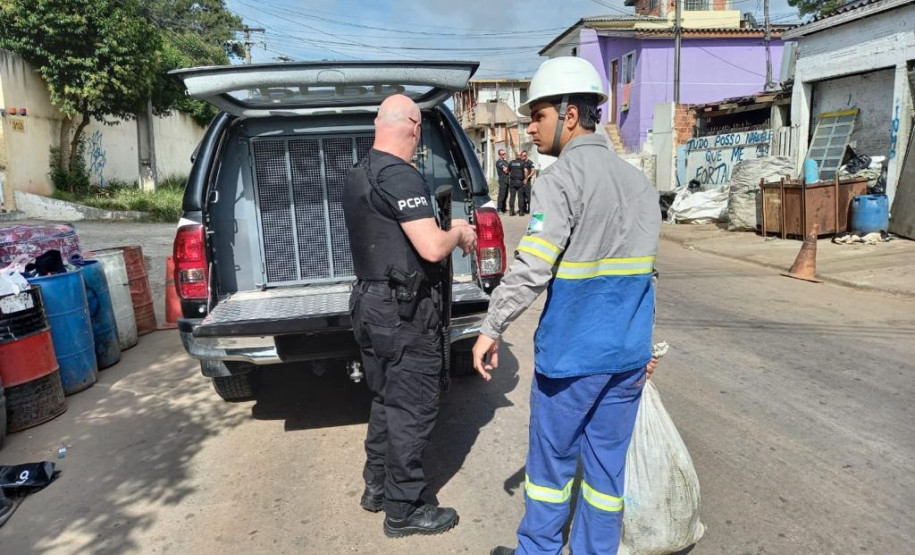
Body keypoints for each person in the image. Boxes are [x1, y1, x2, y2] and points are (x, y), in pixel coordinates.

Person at [471, 57, 661, 555]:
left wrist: (491, 327)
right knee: (604, 476)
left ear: (569, 115)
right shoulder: (640, 185)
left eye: (538, 116)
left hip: (572, 360)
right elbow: (645, 275)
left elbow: (532, 267)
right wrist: (645, 346)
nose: (530, 128)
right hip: (626, 359)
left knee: (550, 473)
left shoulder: (557, 181)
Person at [342, 94, 477, 538]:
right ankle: (404, 508)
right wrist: (458, 230)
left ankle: (376, 486)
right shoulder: (400, 176)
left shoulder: (357, 174)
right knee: (413, 406)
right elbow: (432, 248)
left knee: (385, 398)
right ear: (414, 129)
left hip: (369, 305)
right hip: (403, 313)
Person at [508, 151, 526, 216]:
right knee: (520, 197)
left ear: (515, 156)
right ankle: (521, 212)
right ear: (520, 156)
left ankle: (511, 211)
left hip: (512, 181)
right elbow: (525, 171)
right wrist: (525, 178)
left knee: (512, 197)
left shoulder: (511, 162)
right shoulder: (522, 163)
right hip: (520, 181)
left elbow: (508, 170)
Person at [518, 150, 535, 216]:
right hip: (521, 182)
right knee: (522, 196)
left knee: (528, 196)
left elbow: (533, 171)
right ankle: (523, 209)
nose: (523, 156)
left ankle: (530, 210)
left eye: (524, 155)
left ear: (526, 155)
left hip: (527, 182)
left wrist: (527, 178)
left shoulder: (530, 162)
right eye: (522, 155)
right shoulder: (520, 162)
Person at [496, 148, 511, 213]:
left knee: (506, 194)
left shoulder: (506, 162)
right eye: (502, 154)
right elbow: (505, 170)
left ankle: (503, 208)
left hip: (507, 179)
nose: (503, 155)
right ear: (499, 155)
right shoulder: (499, 162)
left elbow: (509, 170)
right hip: (502, 179)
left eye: (504, 153)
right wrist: (508, 169)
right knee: (502, 194)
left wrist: (508, 169)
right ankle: (499, 208)